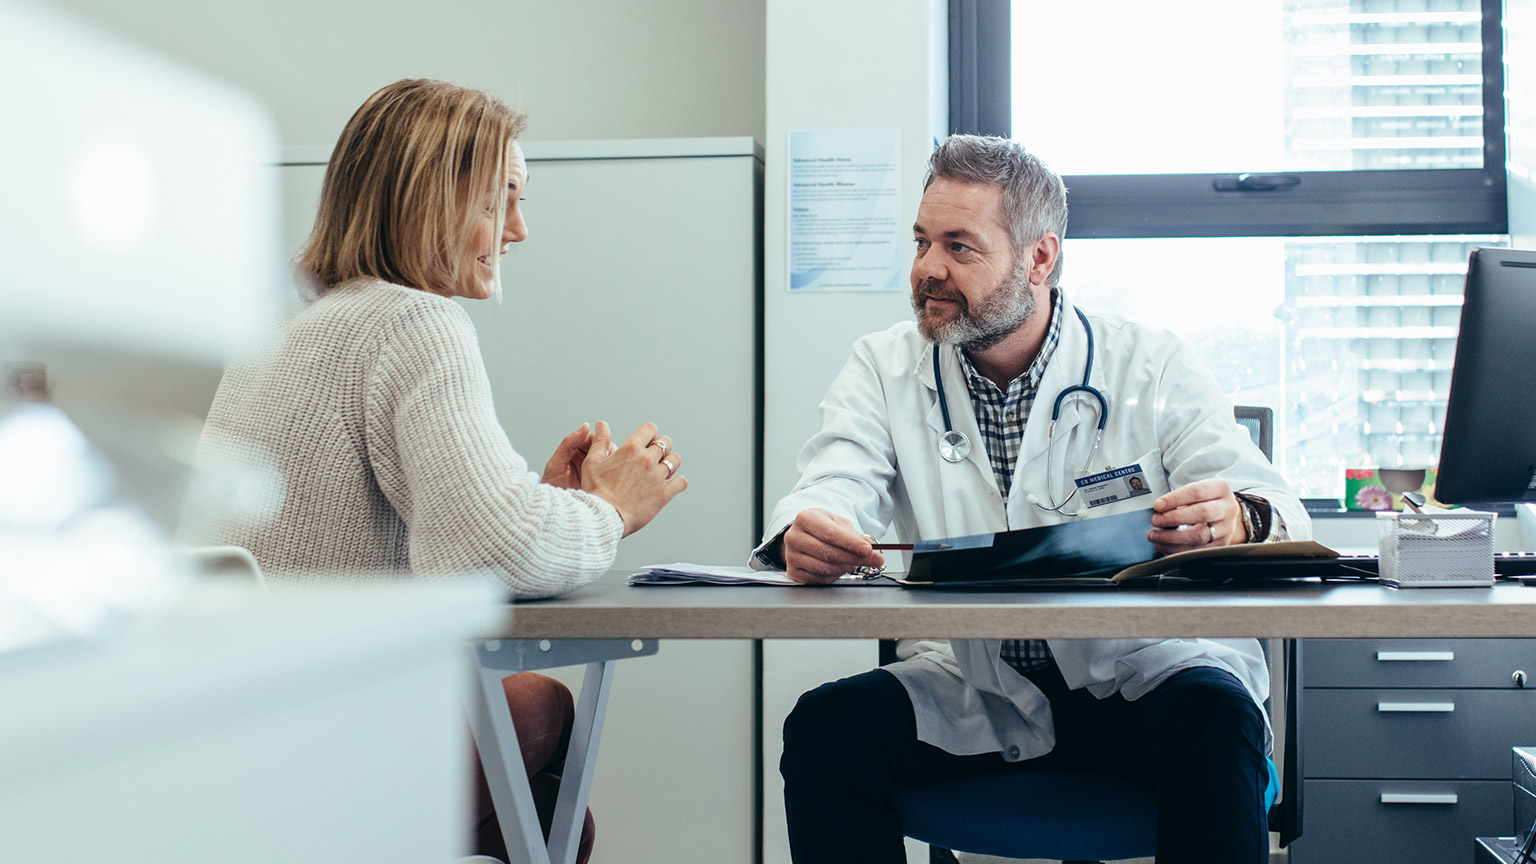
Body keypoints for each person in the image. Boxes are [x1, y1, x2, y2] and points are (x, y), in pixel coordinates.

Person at [753, 135, 1310, 864]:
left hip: (1144, 677)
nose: (928, 270)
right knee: (827, 729)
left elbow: (1271, 504)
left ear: (1040, 258)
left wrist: (1239, 517)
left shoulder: (1151, 363)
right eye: (921, 242)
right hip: (979, 684)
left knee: (1219, 719)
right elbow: (834, 483)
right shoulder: (885, 367)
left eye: (959, 246)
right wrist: (807, 529)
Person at [190, 78, 688, 863]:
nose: (518, 230)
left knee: (561, 820)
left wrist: (546, 505)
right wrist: (611, 510)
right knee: (546, 720)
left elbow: (446, 536)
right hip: (325, 747)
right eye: (503, 200)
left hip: (222, 741)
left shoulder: (284, 329)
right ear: (432, 199)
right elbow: (488, 551)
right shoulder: (413, 319)